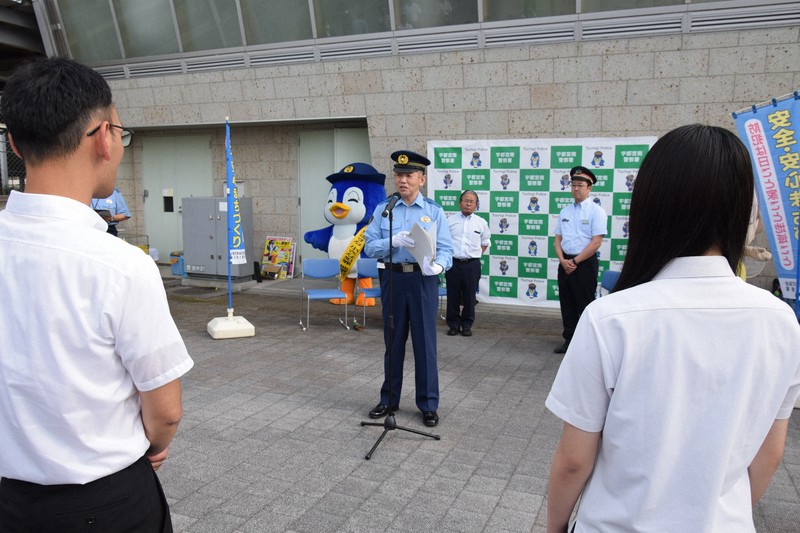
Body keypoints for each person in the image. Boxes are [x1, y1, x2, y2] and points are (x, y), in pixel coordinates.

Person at [545, 124, 800, 532]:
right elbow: (769, 454)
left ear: (650, 205)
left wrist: (555, 527)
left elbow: (574, 460)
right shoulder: (781, 321)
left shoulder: (610, 318)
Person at [0, 58, 193, 532]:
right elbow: (165, 410)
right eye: (122, 134)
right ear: (104, 137)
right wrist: (152, 445)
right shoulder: (122, 266)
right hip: (104, 503)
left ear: (14, 143)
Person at [364, 150, 453, 427]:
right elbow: (369, 246)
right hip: (393, 279)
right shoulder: (384, 209)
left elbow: (447, 250)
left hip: (422, 280)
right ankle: (389, 399)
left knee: (425, 342)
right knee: (393, 341)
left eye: (409, 175)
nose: (402, 180)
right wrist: (393, 241)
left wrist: (438, 267)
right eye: (399, 175)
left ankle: (428, 404)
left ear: (421, 179)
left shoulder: (434, 211)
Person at [553, 165, 607, 354]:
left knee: (584, 304)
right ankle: (569, 341)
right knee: (566, 303)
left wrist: (575, 262)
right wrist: (562, 260)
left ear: (589, 188)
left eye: (580, 185)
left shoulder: (596, 211)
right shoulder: (565, 211)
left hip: (584, 264)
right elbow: (557, 239)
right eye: (573, 185)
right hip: (565, 263)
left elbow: (596, 242)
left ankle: (586, 345)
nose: (575, 188)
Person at [445, 190, 491, 336]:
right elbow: (444, 241)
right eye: (466, 200)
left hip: (472, 264)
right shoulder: (450, 220)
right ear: (460, 203)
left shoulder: (481, 223)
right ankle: (453, 324)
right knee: (452, 295)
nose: (468, 203)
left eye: (472, 201)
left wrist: (475, 255)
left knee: (470, 296)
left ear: (476, 205)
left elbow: (485, 242)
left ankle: (466, 325)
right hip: (453, 263)